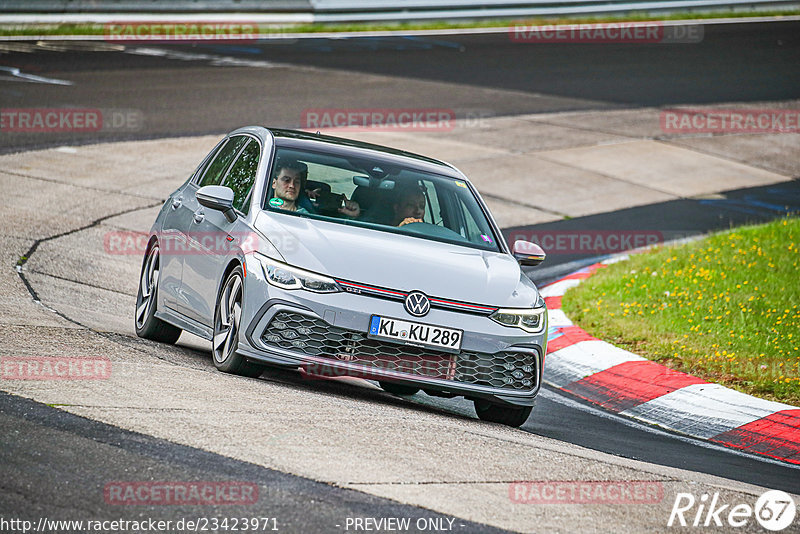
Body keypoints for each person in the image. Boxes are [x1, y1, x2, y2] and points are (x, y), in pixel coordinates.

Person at [270, 159, 360, 217]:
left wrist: (353, 216)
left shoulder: (306, 217)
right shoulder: (260, 207)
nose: (292, 185)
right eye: (286, 180)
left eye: (297, 182)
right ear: (274, 183)